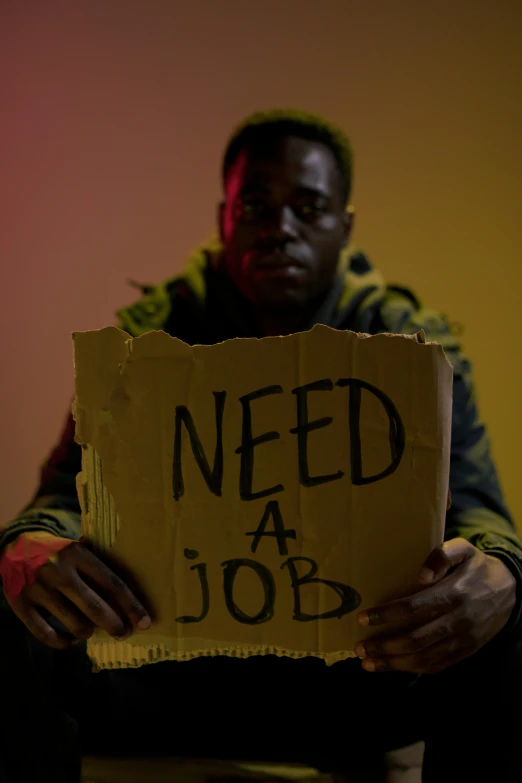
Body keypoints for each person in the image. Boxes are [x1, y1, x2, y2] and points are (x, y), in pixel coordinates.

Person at [1, 109, 521, 783]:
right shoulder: (145, 343)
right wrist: (29, 548)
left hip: (353, 680)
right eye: (256, 206)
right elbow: (58, 497)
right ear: (224, 218)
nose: (280, 229)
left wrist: (497, 574)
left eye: (309, 208)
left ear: (345, 225)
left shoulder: (415, 350)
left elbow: (483, 512)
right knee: (8, 580)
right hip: (168, 673)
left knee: (508, 604)